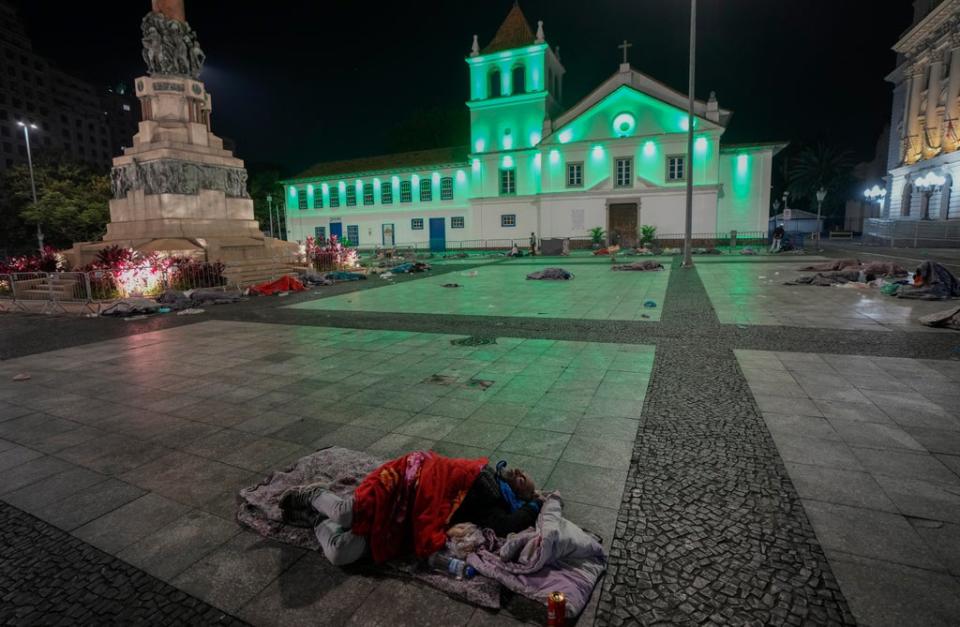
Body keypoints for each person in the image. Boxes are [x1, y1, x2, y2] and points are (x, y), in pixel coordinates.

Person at [279, 454, 542, 567]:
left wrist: (536, 504)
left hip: (409, 516)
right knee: (345, 514)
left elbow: (507, 525)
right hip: (408, 477)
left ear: (518, 499)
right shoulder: (481, 471)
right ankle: (313, 493)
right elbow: (440, 472)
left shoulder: (494, 501)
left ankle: (314, 517)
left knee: (340, 553)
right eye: (522, 471)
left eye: (522, 480)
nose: (518, 472)